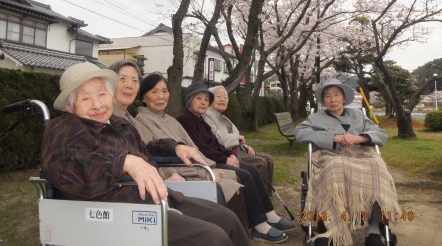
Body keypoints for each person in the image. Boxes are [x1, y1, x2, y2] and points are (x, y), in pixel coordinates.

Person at [40, 62, 250, 246]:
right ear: (69, 106)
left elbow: (146, 148)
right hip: (121, 213)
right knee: (214, 238)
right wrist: (122, 162)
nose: (97, 104)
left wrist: (175, 147)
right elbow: (63, 165)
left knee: (228, 219)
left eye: (102, 94)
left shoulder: (119, 124)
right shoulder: (64, 128)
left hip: (160, 197)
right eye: (85, 98)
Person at [108, 61, 242, 209]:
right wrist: (199, 169)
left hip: (180, 172)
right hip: (151, 188)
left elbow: (188, 147)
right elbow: (151, 155)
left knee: (239, 179)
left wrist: (209, 163)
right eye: (123, 79)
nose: (129, 85)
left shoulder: (136, 121)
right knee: (226, 192)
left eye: (134, 80)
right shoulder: (115, 121)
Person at [177, 81, 295, 244]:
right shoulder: (185, 119)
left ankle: (269, 214)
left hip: (217, 158)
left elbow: (216, 143)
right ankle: (259, 225)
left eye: (206, 99)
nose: (203, 102)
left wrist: (228, 155)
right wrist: (225, 158)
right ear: (189, 100)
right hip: (208, 163)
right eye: (199, 98)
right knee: (245, 175)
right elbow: (201, 148)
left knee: (252, 170)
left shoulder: (200, 119)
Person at [295, 78, 400, 246]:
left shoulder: (359, 115)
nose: (333, 99)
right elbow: (300, 133)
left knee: (377, 166)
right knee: (336, 168)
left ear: (344, 98)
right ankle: (335, 228)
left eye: (337, 95)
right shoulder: (315, 118)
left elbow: (381, 134)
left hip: (360, 154)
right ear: (323, 100)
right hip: (331, 155)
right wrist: (333, 137)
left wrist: (359, 137)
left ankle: (373, 229)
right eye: (328, 96)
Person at [204, 85, 274, 196]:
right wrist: (237, 139)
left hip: (238, 151)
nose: (223, 99)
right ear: (210, 99)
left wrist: (245, 146)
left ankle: (266, 196)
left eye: (225, 97)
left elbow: (238, 138)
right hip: (228, 154)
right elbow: (218, 139)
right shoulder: (207, 115)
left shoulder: (223, 117)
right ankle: (258, 197)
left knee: (268, 159)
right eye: (219, 97)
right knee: (261, 163)